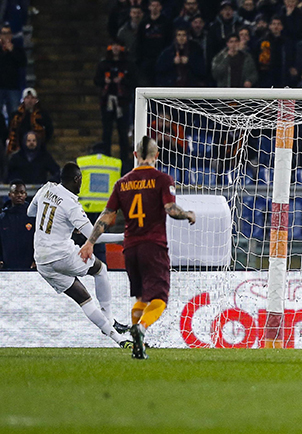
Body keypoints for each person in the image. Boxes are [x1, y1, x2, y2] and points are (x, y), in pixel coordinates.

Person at [79, 137, 196, 360]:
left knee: (141, 297)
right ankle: (141, 328)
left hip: (130, 249)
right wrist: (188, 214)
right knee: (160, 298)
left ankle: (137, 347)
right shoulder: (162, 179)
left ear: (135, 156)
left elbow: (106, 216)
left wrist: (90, 242)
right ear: (157, 155)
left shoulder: (122, 183)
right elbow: (171, 209)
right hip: (153, 246)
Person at [27, 163, 129, 347]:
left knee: (83, 299)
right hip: (61, 255)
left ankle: (118, 339)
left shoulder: (46, 188)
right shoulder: (71, 205)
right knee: (100, 269)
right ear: (76, 180)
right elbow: (95, 237)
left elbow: (31, 212)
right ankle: (110, 319)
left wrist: (57, 225)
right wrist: (123, 237)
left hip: (42, 260)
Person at [94, 41, 138, 170]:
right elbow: (96, 80)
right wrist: (104, 81)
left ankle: (124, 162)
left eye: (118, 45)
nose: (115, 48)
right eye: (113, 45)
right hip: (107, 102)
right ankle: (106, 158)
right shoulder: (103, 64)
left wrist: (123, 81)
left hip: (122, 102)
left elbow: (134, 81)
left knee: (123, 132)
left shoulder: (128, 64)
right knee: (106, 132)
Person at [6, 88, 54, 156]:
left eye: (32, 98)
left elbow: (49, 130)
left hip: (38, 150)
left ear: (36, 100)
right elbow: (10, 131)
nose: (30, 100)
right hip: (18, 149)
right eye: (27, 98)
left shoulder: (43, 115)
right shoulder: (15, 116)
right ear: (23, 100)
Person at [0, 179, 34, 270]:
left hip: (29, 265)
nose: (19, 195)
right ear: (10, 195)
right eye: (16, 192)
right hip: (8, 265)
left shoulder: (33, 216)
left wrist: (36, 259)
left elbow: (39, 239)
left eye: (22, 192)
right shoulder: (3, 218)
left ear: (25, 195)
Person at [0, 22, 26, 121]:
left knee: (14, 114)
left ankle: (14, 134)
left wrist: (12, 50)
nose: (6, 36)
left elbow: (23, 63)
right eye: (3, 33)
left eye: (8, 33)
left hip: (13, 87)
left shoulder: (18, 49)